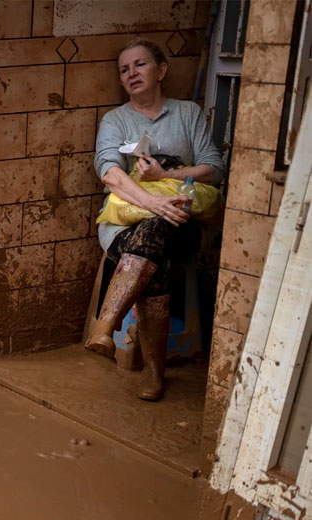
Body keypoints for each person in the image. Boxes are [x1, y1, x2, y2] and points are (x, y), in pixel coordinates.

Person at [85, 39, 226, 401]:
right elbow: (109, 173)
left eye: (140, 65)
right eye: (124, 69)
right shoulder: (116, 120)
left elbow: (215, 168)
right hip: (123, 223)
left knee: (161, 228)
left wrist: (168, 176)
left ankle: (107, 324)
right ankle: (154, 373)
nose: (131, 73)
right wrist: (152, 201)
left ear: (161, 71)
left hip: (184, 221)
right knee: (154, 238)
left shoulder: (188, 114)